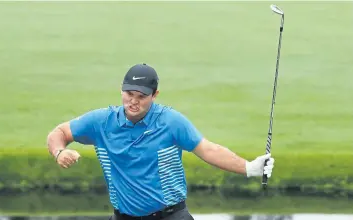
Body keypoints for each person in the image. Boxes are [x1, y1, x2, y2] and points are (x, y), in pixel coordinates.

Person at [46, 63, 275, 220]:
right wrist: (59, 152)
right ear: (121, 90)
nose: (133, 102)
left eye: (141, 96)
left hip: (171, 215)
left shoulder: (170, 121)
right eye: (129, 94)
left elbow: (207, 149)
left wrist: (248, 168)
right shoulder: (101, 122)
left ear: (155, 95)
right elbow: (59, 132)